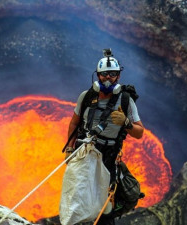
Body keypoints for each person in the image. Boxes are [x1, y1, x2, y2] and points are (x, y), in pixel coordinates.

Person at [64, 49, 144, 224]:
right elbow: (74, 123)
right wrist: (70, 148)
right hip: (85, 151)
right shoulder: (86, 97)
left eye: (113, 75)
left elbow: (139, 132)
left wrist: (126, 123)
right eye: (105, 74)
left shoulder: (125, 100)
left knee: (105, 205)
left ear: (118, 77)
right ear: (97, 76)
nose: (108, 78)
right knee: (78, 194)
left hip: (109, 155)